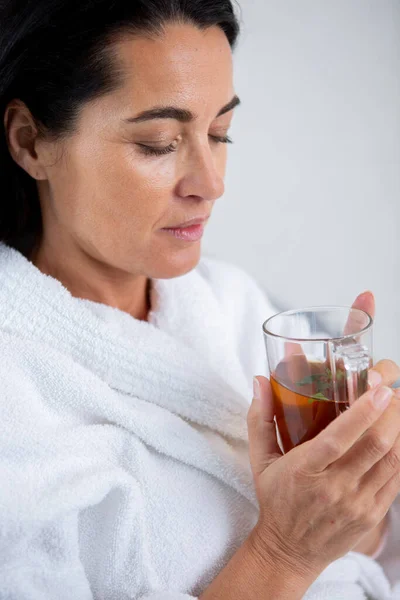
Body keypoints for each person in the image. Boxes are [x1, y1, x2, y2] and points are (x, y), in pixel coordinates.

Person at [0, 1, 399, 598]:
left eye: (219, 132)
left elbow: (361, 556)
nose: (212, 183)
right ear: (32, 143)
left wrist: (355, 496)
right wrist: (284, 552)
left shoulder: (236, 305)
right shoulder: (15, 395)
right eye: (160, 144)